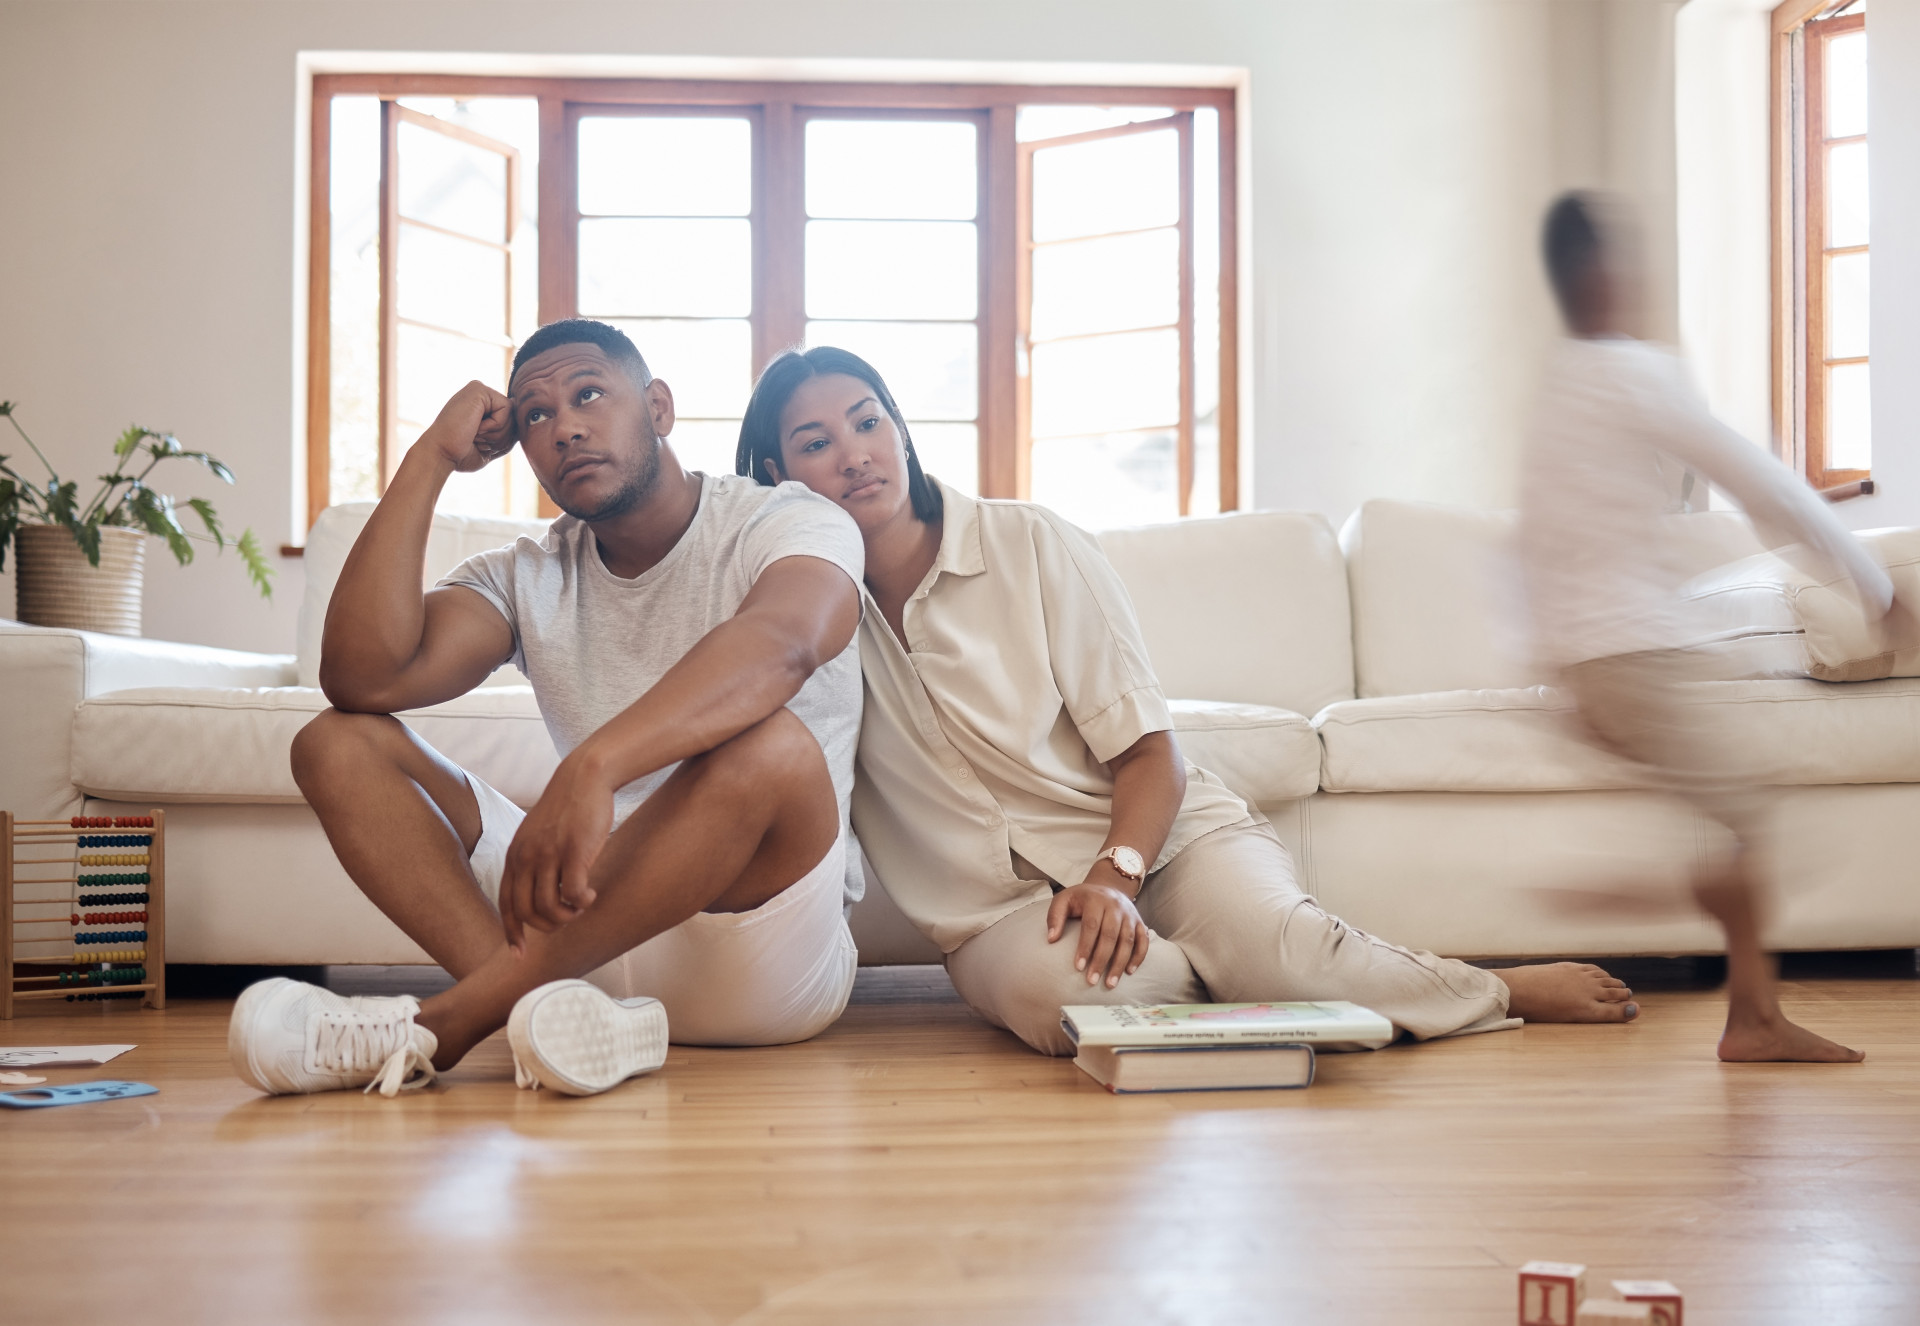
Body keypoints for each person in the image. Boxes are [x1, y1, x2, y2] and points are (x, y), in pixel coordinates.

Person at [737, 346, 1639, 1057]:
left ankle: (1486, 989)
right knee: (1077, 1003)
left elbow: (1146, 750)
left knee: (1273, 948)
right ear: (778, 469)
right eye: (817, 442)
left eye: (869, 421)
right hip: (997, 912)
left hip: (1157, 842)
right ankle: (1291, 978)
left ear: (901, 428)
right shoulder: (798, 608)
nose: (855, 454)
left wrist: (1112, 877)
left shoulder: (1031, 544)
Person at [229, 319, 867, 1097]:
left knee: (770, 743)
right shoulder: (528, 574)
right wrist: (430, 458)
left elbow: (785, 643)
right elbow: (363, 678)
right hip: (578, 923)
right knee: (336, 743)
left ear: (658, 408)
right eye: (535, 415)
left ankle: (449, 1024)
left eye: (589, 394)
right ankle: (554, 1016)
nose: (565, 426)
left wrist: (594, 768)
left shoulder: (786, 518)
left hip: (756, 949)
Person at [1522, 192, 1907, 1062]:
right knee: (1759, 823)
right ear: (1599, 276)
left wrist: (1554, 670)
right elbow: (1753, 474)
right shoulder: (1627, 370)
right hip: (1632, 650)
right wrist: (1872, 581)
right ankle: (1718, 986)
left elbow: (1531, 544)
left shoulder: (1564, 382)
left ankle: (1746, 1008)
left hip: (1599, 658)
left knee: (1750, 819)